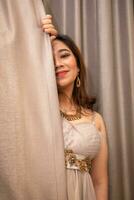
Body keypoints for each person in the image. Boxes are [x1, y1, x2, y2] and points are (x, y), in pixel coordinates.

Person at [41, 15, 108, 200]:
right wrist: (33, 39)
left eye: (64, 55)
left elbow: (100, 181)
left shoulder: (96, 120)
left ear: (78, 66)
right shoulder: (35, 112)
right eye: (49, 58)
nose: (57, 63)